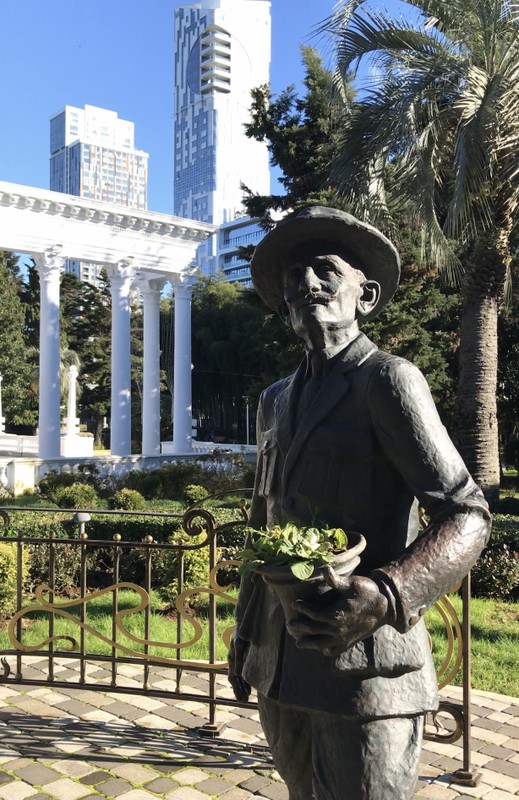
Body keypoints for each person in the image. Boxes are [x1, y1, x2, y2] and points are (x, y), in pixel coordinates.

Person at [228, 207, 491, 800]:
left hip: (368, 664)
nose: (306, 282)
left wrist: (387, 594)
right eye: (294, 275)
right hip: (281, 660)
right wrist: (245, 634)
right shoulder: (274, 400)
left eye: (325, 269)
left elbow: (467, 512)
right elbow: (263, 520)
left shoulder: (388, 381)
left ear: (364, 296)